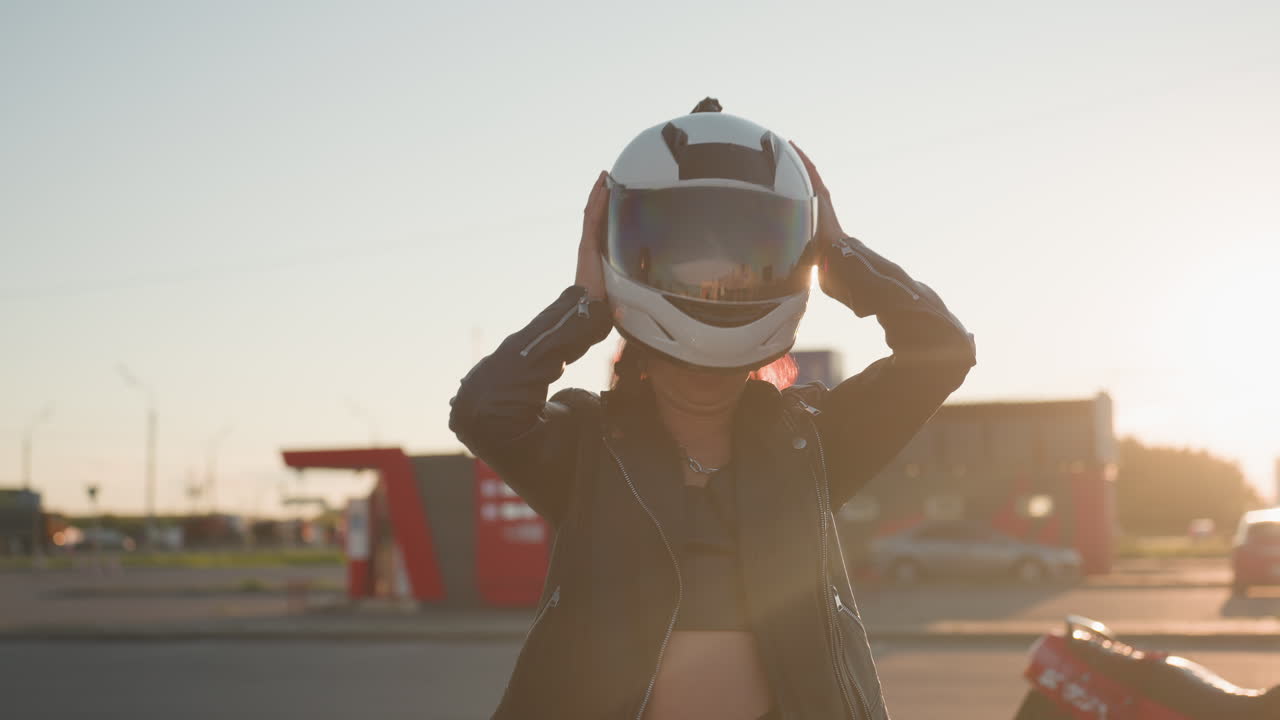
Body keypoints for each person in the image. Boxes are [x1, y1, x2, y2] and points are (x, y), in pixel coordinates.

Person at [450, 99, 976, 720]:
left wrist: (840, 254)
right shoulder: (587, 445)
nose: (717, 291)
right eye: (692, 266)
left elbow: (941, 352)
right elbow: (484, 410)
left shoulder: (813, 445)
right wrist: (585, 304)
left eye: (742, 270)